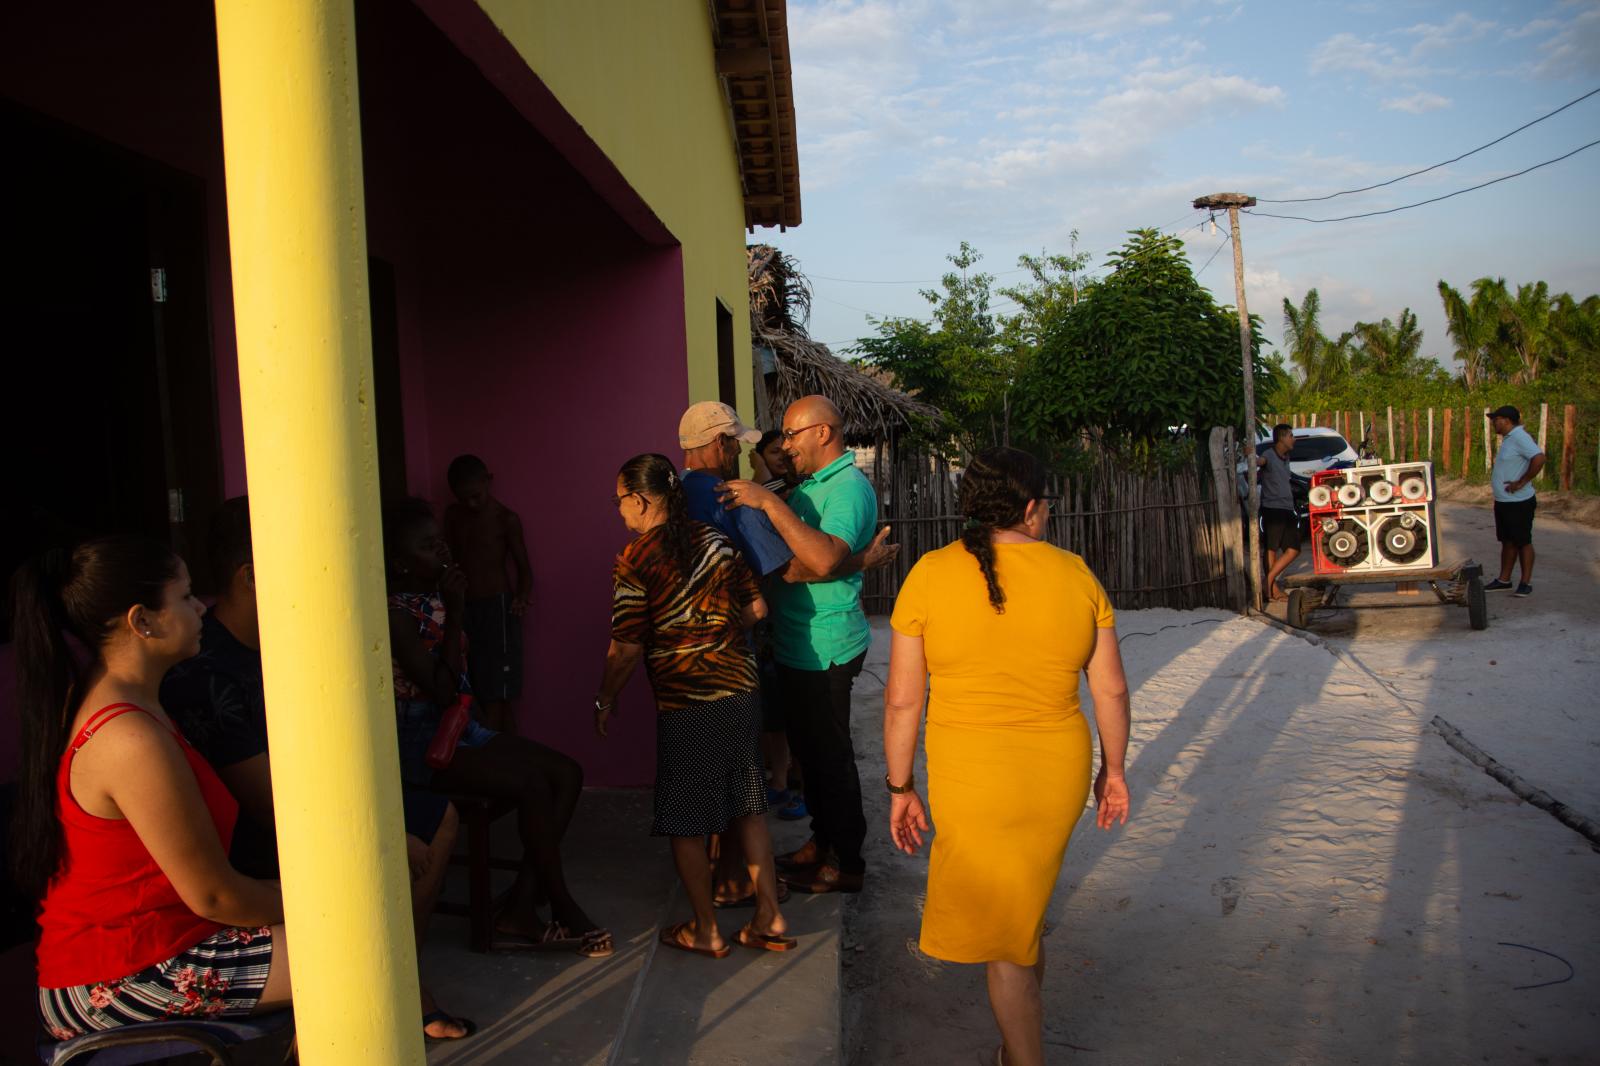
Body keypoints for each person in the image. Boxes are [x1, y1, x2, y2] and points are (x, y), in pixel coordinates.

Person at [160, 498, 473, 1040]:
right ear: (253, 576)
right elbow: (267, 807)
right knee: (400, 844)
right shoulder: (206, 668)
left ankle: (399, 977)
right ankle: (382, 991)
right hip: (249, 840)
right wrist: (377, 834)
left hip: (302, 808)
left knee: (438, 817)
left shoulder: (279, 642)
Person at [881, 447, 1132, 1066]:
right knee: (1022, 908)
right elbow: (1111, 689)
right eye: (1045, 505)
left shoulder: (929, 575)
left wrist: (899, 786)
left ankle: (1023, 1059)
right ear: (1030, 509)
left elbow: (902, 704)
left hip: (972, 779)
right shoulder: (1076, 574)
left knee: (1007, 939)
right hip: (1057, 774)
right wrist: (1115, 771)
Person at [11, 537, 290, 1038]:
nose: (201, 606)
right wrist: (327, 900)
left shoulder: (125, 701)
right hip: (120, 975)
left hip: (155, 941)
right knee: (357, 943)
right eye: (185, 596)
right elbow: (215, 895)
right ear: (144, 621)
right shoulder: (128, 737)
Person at [384, 498, 610, 957]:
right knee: (529, 784)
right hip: (420, 744)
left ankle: (522, 904)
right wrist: (456, 612)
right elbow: (442, 690)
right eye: (428, 547)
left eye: (440, 542)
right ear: (399, 564)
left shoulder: (435, 597)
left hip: (461, 728)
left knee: (566, 773)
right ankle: (561, 904)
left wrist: (455, 608)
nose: (442, 553)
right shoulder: (395, 614)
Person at [592, 453, 793, 958]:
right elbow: (756, 608)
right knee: (747, 805)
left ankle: (705, 929)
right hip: (739, 691)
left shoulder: (636, 559)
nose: (620, 512)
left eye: (620, 502)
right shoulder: (718, 542)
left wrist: (605, 697)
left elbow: (626, 648)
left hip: (687, 702)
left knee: (685, 819)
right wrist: (712, 636)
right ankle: (768, 914)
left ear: (639, 500)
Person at [718, 395, 880, 894]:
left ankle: (847, 862)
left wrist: (767, 504)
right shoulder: (812, 485)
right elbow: (797, 558)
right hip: (797, 641)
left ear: (823, 434)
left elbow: (824, 559)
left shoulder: (848, 488)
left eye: (791, 434)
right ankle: (821, 841)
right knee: (811, 757)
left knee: (831, 759)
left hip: (826, 644)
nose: (785, 446)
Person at [443, 454, 532, 733]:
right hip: (463, 607)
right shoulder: (453, 516)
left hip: (498, 608)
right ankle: (505, 757)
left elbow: (524, 568)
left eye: (476, 496)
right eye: (463, 498)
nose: (471, 504)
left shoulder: (505, 519)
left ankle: (499, 756)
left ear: (488, 482)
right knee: (477, 687)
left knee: (499, 691)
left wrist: (521, 596)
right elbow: (449, 558)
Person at [1484, 405, 1545, 597]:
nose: (1494, 423)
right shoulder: (1509, 439)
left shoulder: (1520, 437)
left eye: (1496, 420)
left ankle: (1525, 583)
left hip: (1519, 501)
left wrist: (1521, 482)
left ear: (1507, 421)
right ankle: (1504, 580)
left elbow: (1539, 458)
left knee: (1523, 541)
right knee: (1507, 541)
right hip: (1504, 501)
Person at [1255, 423, 1300, 602]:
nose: (1293, 439)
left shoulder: (1286, 457)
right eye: (1290, 435)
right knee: (1271, 549)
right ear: (1281, 438)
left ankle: (1268, 581)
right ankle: (1272, 588)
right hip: (1272, 508)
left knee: (1294, 549)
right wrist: (1252, 456)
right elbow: (1260, 462)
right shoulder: (1269, 455)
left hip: (1287, 508)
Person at [753, 429, 797, 499]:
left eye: (787, 451)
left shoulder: (800, 484)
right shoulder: (751, 487)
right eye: (775, 451)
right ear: (761, 456)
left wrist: (761, 466)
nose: (783, 457)